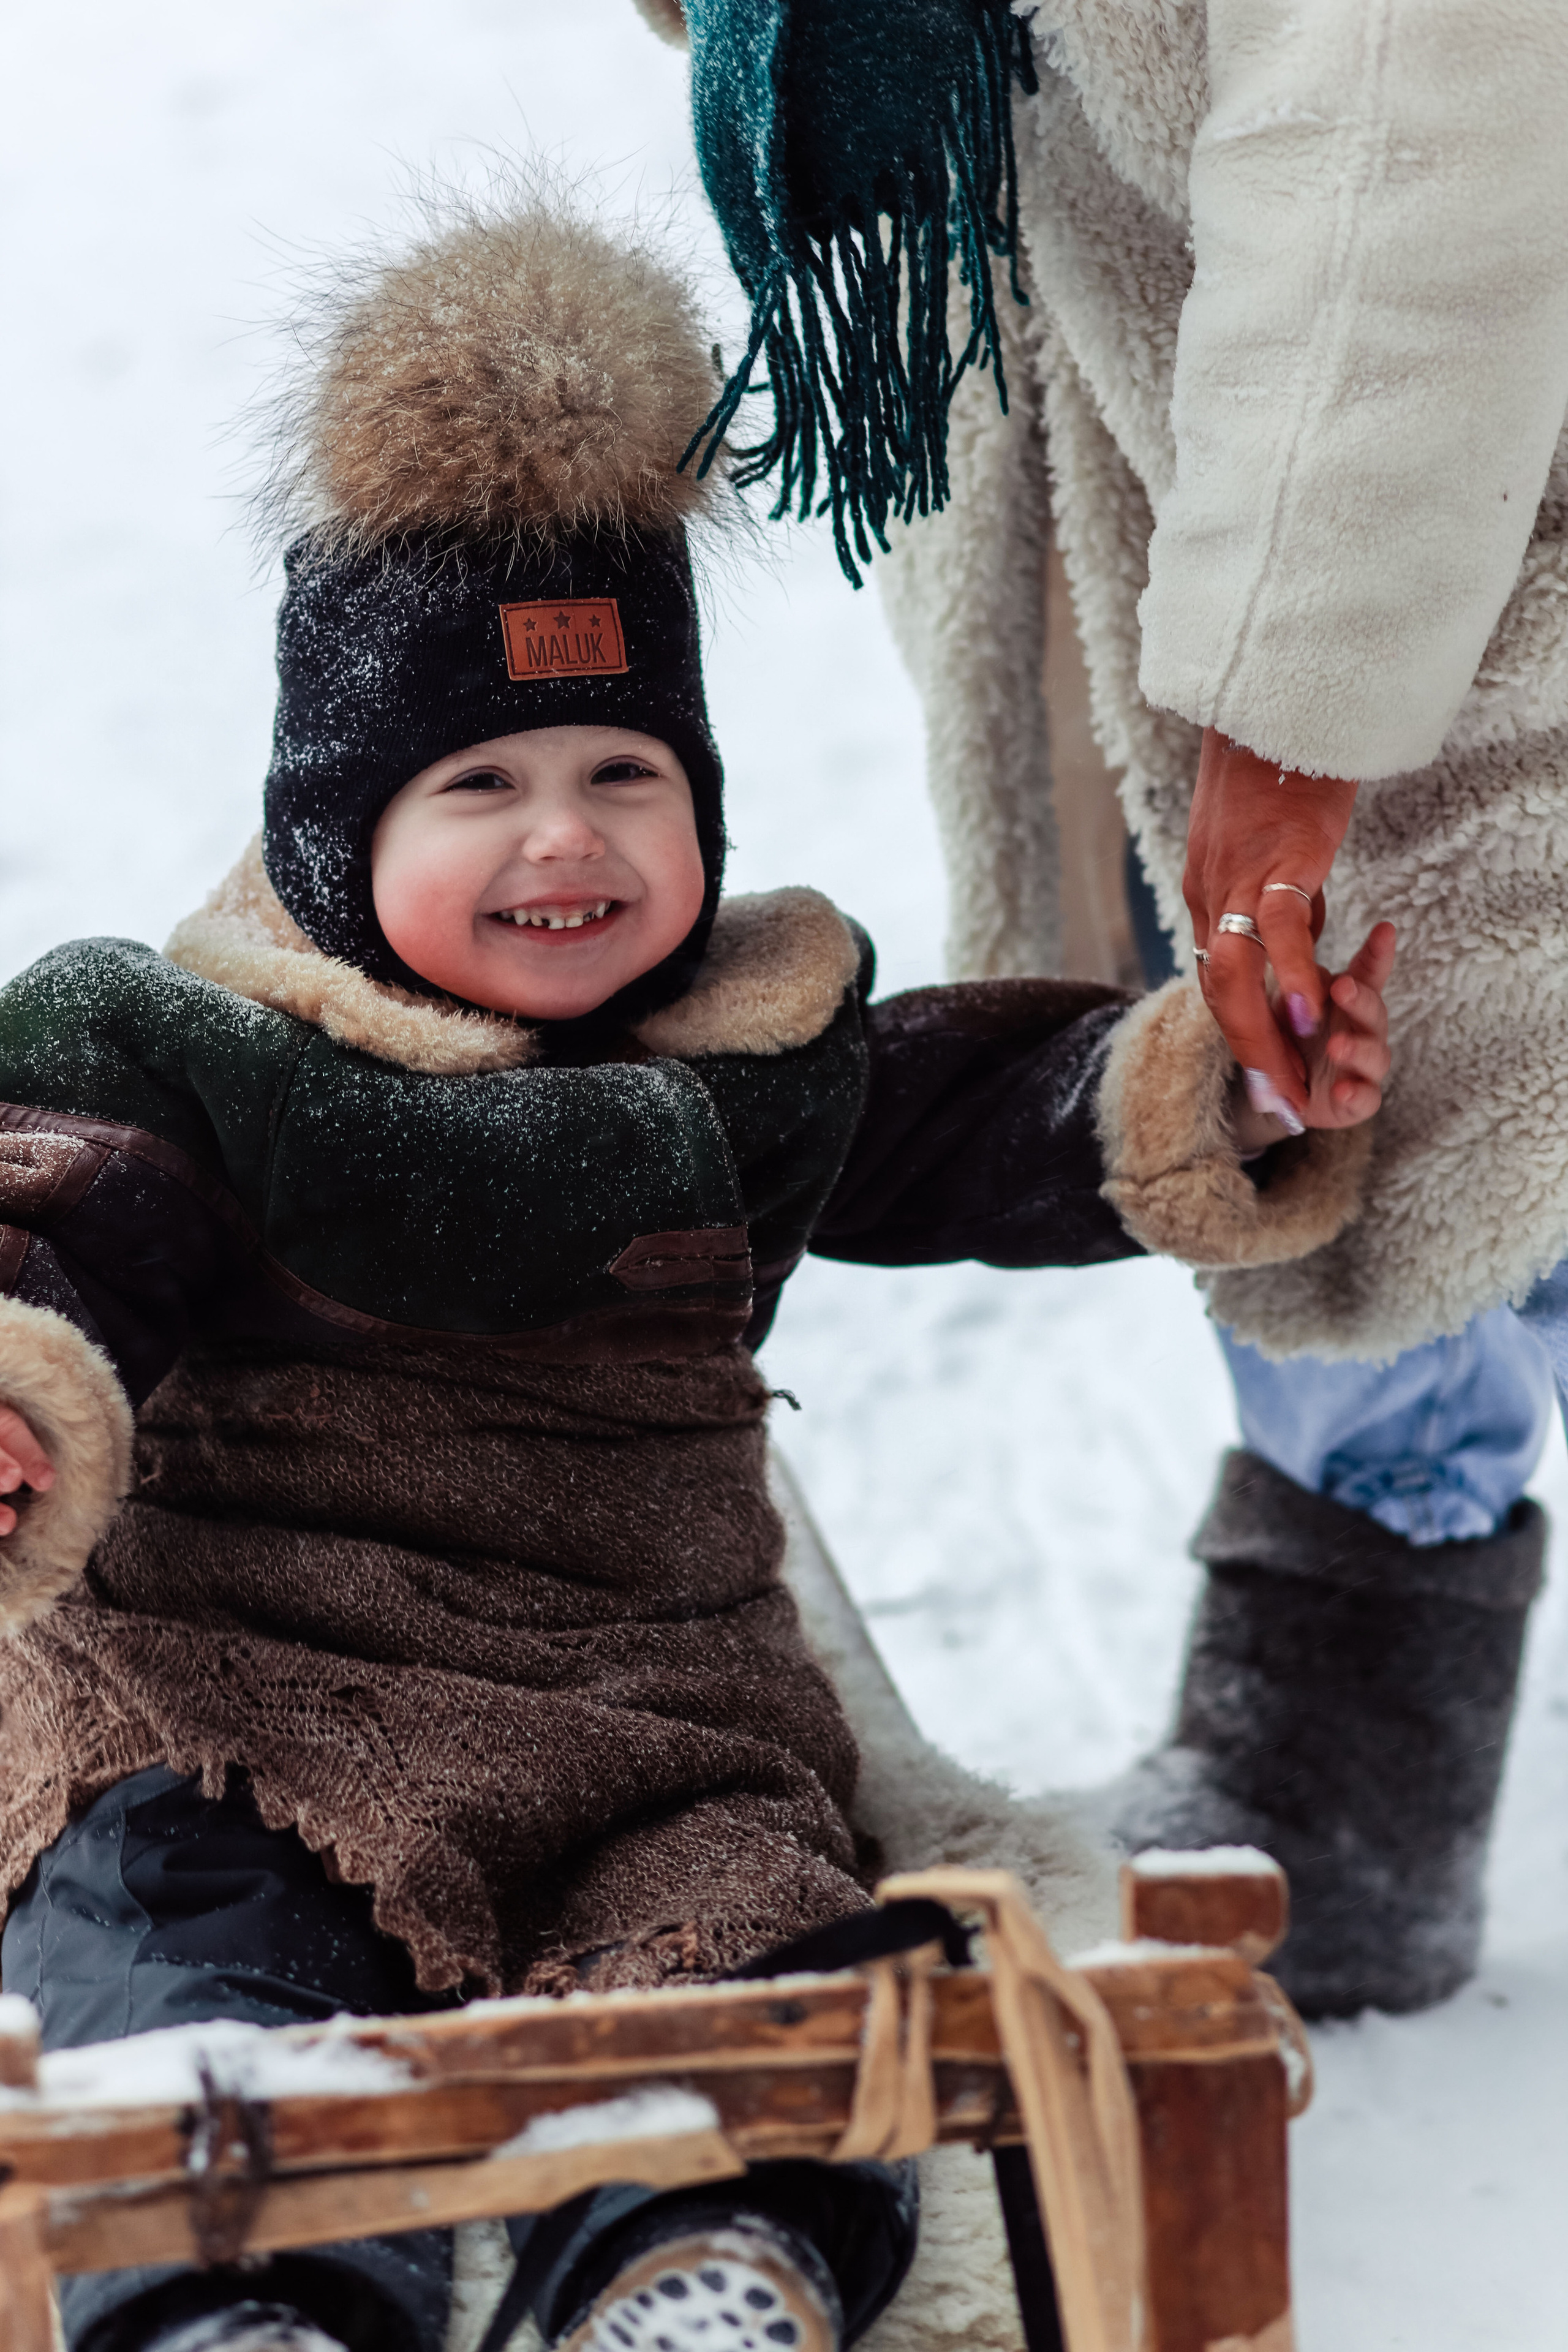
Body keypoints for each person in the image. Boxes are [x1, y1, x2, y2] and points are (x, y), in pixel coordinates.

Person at [0, 198, 1390, 2352]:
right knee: (181, 1937)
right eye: (481, 787)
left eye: (624, 777)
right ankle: (240, 2298)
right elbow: (58, 1215)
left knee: (766, 1945)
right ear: (329, 833)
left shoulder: (749, 1049)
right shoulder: (199, 1056)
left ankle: (689, 2258)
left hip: (649, 1722)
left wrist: (1220, 1100)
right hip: (255, 1696)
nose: (567, 842)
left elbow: (964, 1110)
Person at [637, 0, 1568, 2018]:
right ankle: (1345, 1761)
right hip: (1141, 410)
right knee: (1296, 1093)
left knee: (1501, 1046)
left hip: (1464, 426)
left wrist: (1298, 692)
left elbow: (1418, 114)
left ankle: (1344, 1758)